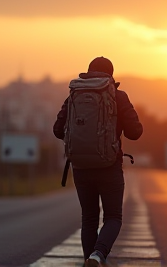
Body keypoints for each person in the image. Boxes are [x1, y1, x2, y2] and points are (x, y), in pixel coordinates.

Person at [53, 56, 143, 267]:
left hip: (81, 167)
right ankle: (98, 255)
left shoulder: (73, 95)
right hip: (109, 166)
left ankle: (90, 259)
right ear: (111, 75)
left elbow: (57, 130)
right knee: (113, 216)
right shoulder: (118, 96)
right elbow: (136, 132)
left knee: (89, 218)